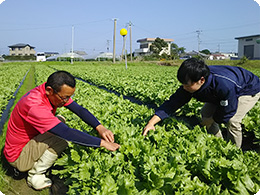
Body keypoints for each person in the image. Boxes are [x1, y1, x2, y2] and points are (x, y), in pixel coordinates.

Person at [3, 70, 120, 190]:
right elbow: (67, 133)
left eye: (69, 97)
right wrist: (103, 143)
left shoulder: (49, 91)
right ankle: (35, 175)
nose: (66, 101)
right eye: (65, 98)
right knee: (62, 139)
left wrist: (100, 127)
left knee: (60, 120)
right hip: (18, 157)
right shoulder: (34, 106)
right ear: (49, 90)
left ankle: (37, 166)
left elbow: (79, 110)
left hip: (25, 142)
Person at [143, 58, 260, 148]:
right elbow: (173, 103)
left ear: (201, 80)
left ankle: (234, 151)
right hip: (222, 93)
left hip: (247, 89)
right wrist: (151, 123)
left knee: (233, 120)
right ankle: (218, 144)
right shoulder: (191, 85)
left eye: (187, 85)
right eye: (183, 84)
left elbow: (228, 109)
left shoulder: (223, 85)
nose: (184, 88)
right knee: (205, 113)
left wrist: (211, 120)